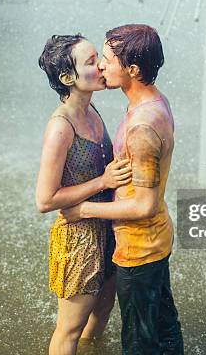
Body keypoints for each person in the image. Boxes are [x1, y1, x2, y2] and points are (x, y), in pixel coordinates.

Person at [62, 24, 184, 354]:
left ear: (131, 70)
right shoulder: (155, 102)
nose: (101, 66)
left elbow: (143, 205)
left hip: (139, 249)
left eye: (106, 59)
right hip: (156, 238)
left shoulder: (143, 127)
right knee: (164, 326)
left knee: (139, 343)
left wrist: (83, 209)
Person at [36, 34, 132, 355]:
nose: (101, 66)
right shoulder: (61, 127)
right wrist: (103, 181)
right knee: (69, 329)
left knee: (103, 312)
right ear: (67, 77)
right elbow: (45, 200)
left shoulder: (92, 111)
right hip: (79, 238)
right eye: (91, 62)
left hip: (108, 227)